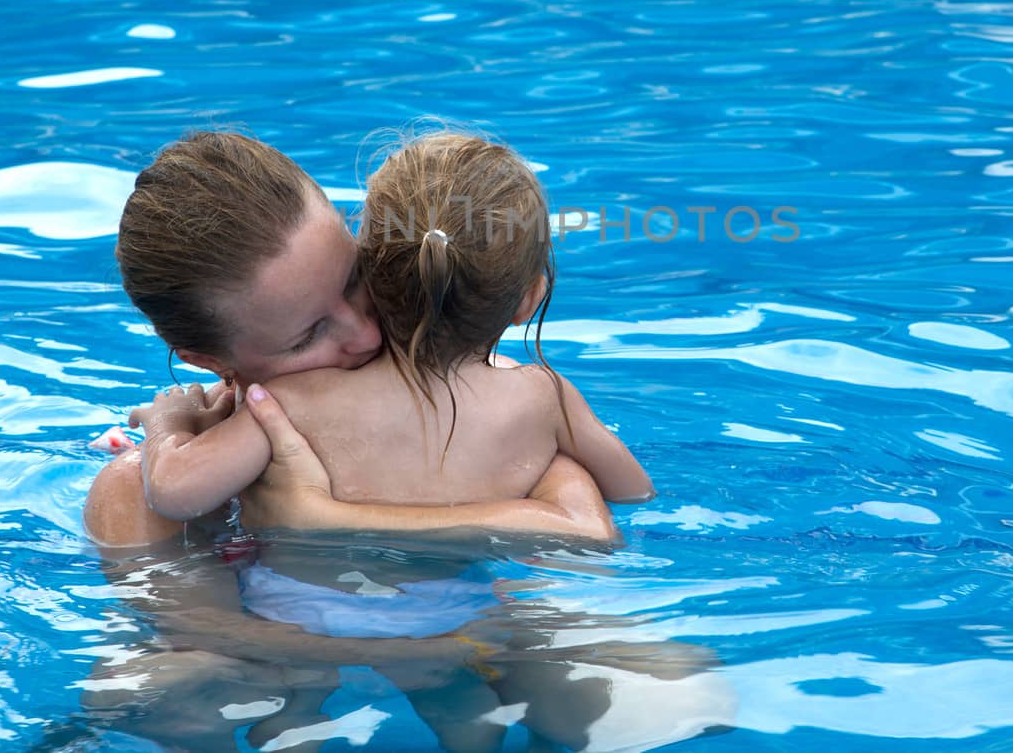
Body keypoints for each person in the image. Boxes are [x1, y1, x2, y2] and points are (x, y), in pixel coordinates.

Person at [132, 130, 653, 526]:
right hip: (484, 620)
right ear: (529, 300)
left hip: (317, 623)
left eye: (357, 280)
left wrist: (168, 424)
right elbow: (633, 494)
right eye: (307, 335)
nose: (367, 337)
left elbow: (176, 490)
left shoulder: (292, 403)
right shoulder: (544, 399)